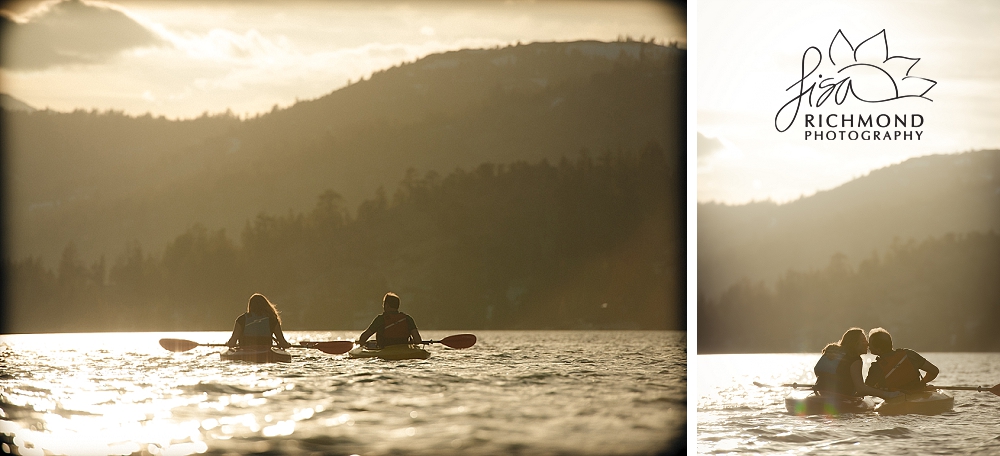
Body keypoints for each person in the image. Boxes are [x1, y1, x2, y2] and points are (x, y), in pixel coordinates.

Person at [813, 327, 901, 400]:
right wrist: (888, 394)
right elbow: (861, 389)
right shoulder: (855, 360)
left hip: (820, 393)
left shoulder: (832, 352)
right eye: (863, 341)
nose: (868, 344)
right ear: (854, 343)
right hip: (841, 399)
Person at [865, 327, 939, 392]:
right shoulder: (909, 354)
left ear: (878, 350)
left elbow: (865, 389)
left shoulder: (876, 368)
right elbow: (934, 371)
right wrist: (922, 383)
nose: (868, 345)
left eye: (870, 343)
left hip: (897, 400)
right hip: (917, 391)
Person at [356, 292, 422, 348]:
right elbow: (418, 340)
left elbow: (364, 337)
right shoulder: (408, 319)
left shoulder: (380, 319)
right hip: (403, 349)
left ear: (386, 305)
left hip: (385, 349)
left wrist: (361, 343)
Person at [225, 293, 292, 349]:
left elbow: (232, 343)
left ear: (250, 306)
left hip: (246, 351)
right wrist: (287, 345)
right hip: (266, 351)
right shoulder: (272, 320)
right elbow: (282, 343)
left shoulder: (241, 320)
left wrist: (228, 344)